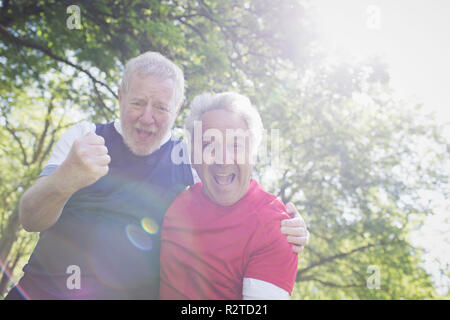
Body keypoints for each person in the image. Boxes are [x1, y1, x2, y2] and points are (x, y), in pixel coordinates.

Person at [5, 52, 308, 300]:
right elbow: (31, 218)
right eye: (138, 102)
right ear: (121, 96)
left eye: (161, 107)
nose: (147, 117)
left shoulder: (189, 160)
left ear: (176, 108)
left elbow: (237, 186)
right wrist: (65, 178)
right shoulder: (85, 137)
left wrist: (286, 224)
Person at [160, 92, 298, 299]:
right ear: (194, 156)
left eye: (235, 145)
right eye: (209, 145)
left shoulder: (275, 227)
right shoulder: (176, 203)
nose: (223, 160)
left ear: (253, 154)